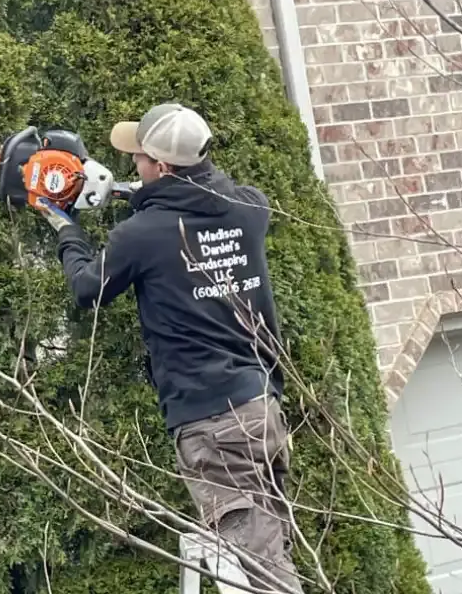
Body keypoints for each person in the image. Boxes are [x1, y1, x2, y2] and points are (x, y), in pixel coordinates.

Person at [33, 102, 303, 593]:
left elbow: (87, 288)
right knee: (269, 550)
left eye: (139, 158)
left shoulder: (145, 234)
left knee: (265, 575)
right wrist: (146, 196)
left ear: (161, 167)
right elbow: (208, 200)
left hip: (213, 422)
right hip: (261, 408)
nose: (132, 164)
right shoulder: (249, 208)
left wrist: (65, 227)